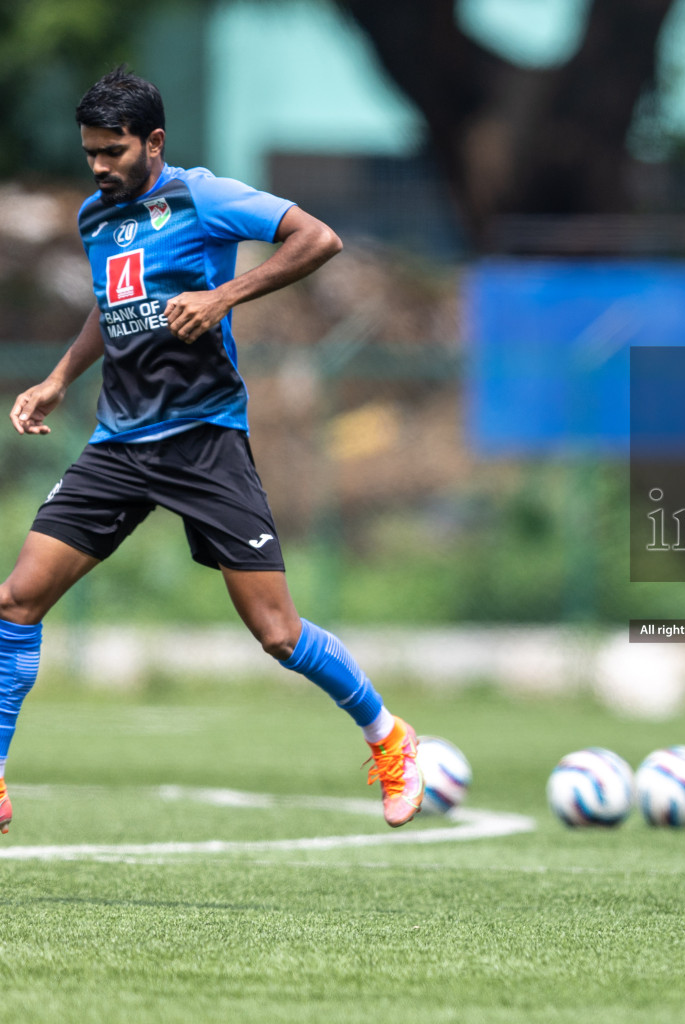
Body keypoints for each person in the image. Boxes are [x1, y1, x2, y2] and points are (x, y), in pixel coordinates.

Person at [0, 67, 423, 835]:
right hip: (119, 442)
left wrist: (224, 296)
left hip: (203, 440)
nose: (97, 166)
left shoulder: (203, 197)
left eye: (113, 151)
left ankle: (388, 735)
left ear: (154, 142)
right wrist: (60, 377)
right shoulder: (97, 217)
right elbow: (111, 305)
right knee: (15, 600)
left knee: (277, 633)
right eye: (90, 151)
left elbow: (317, 239)